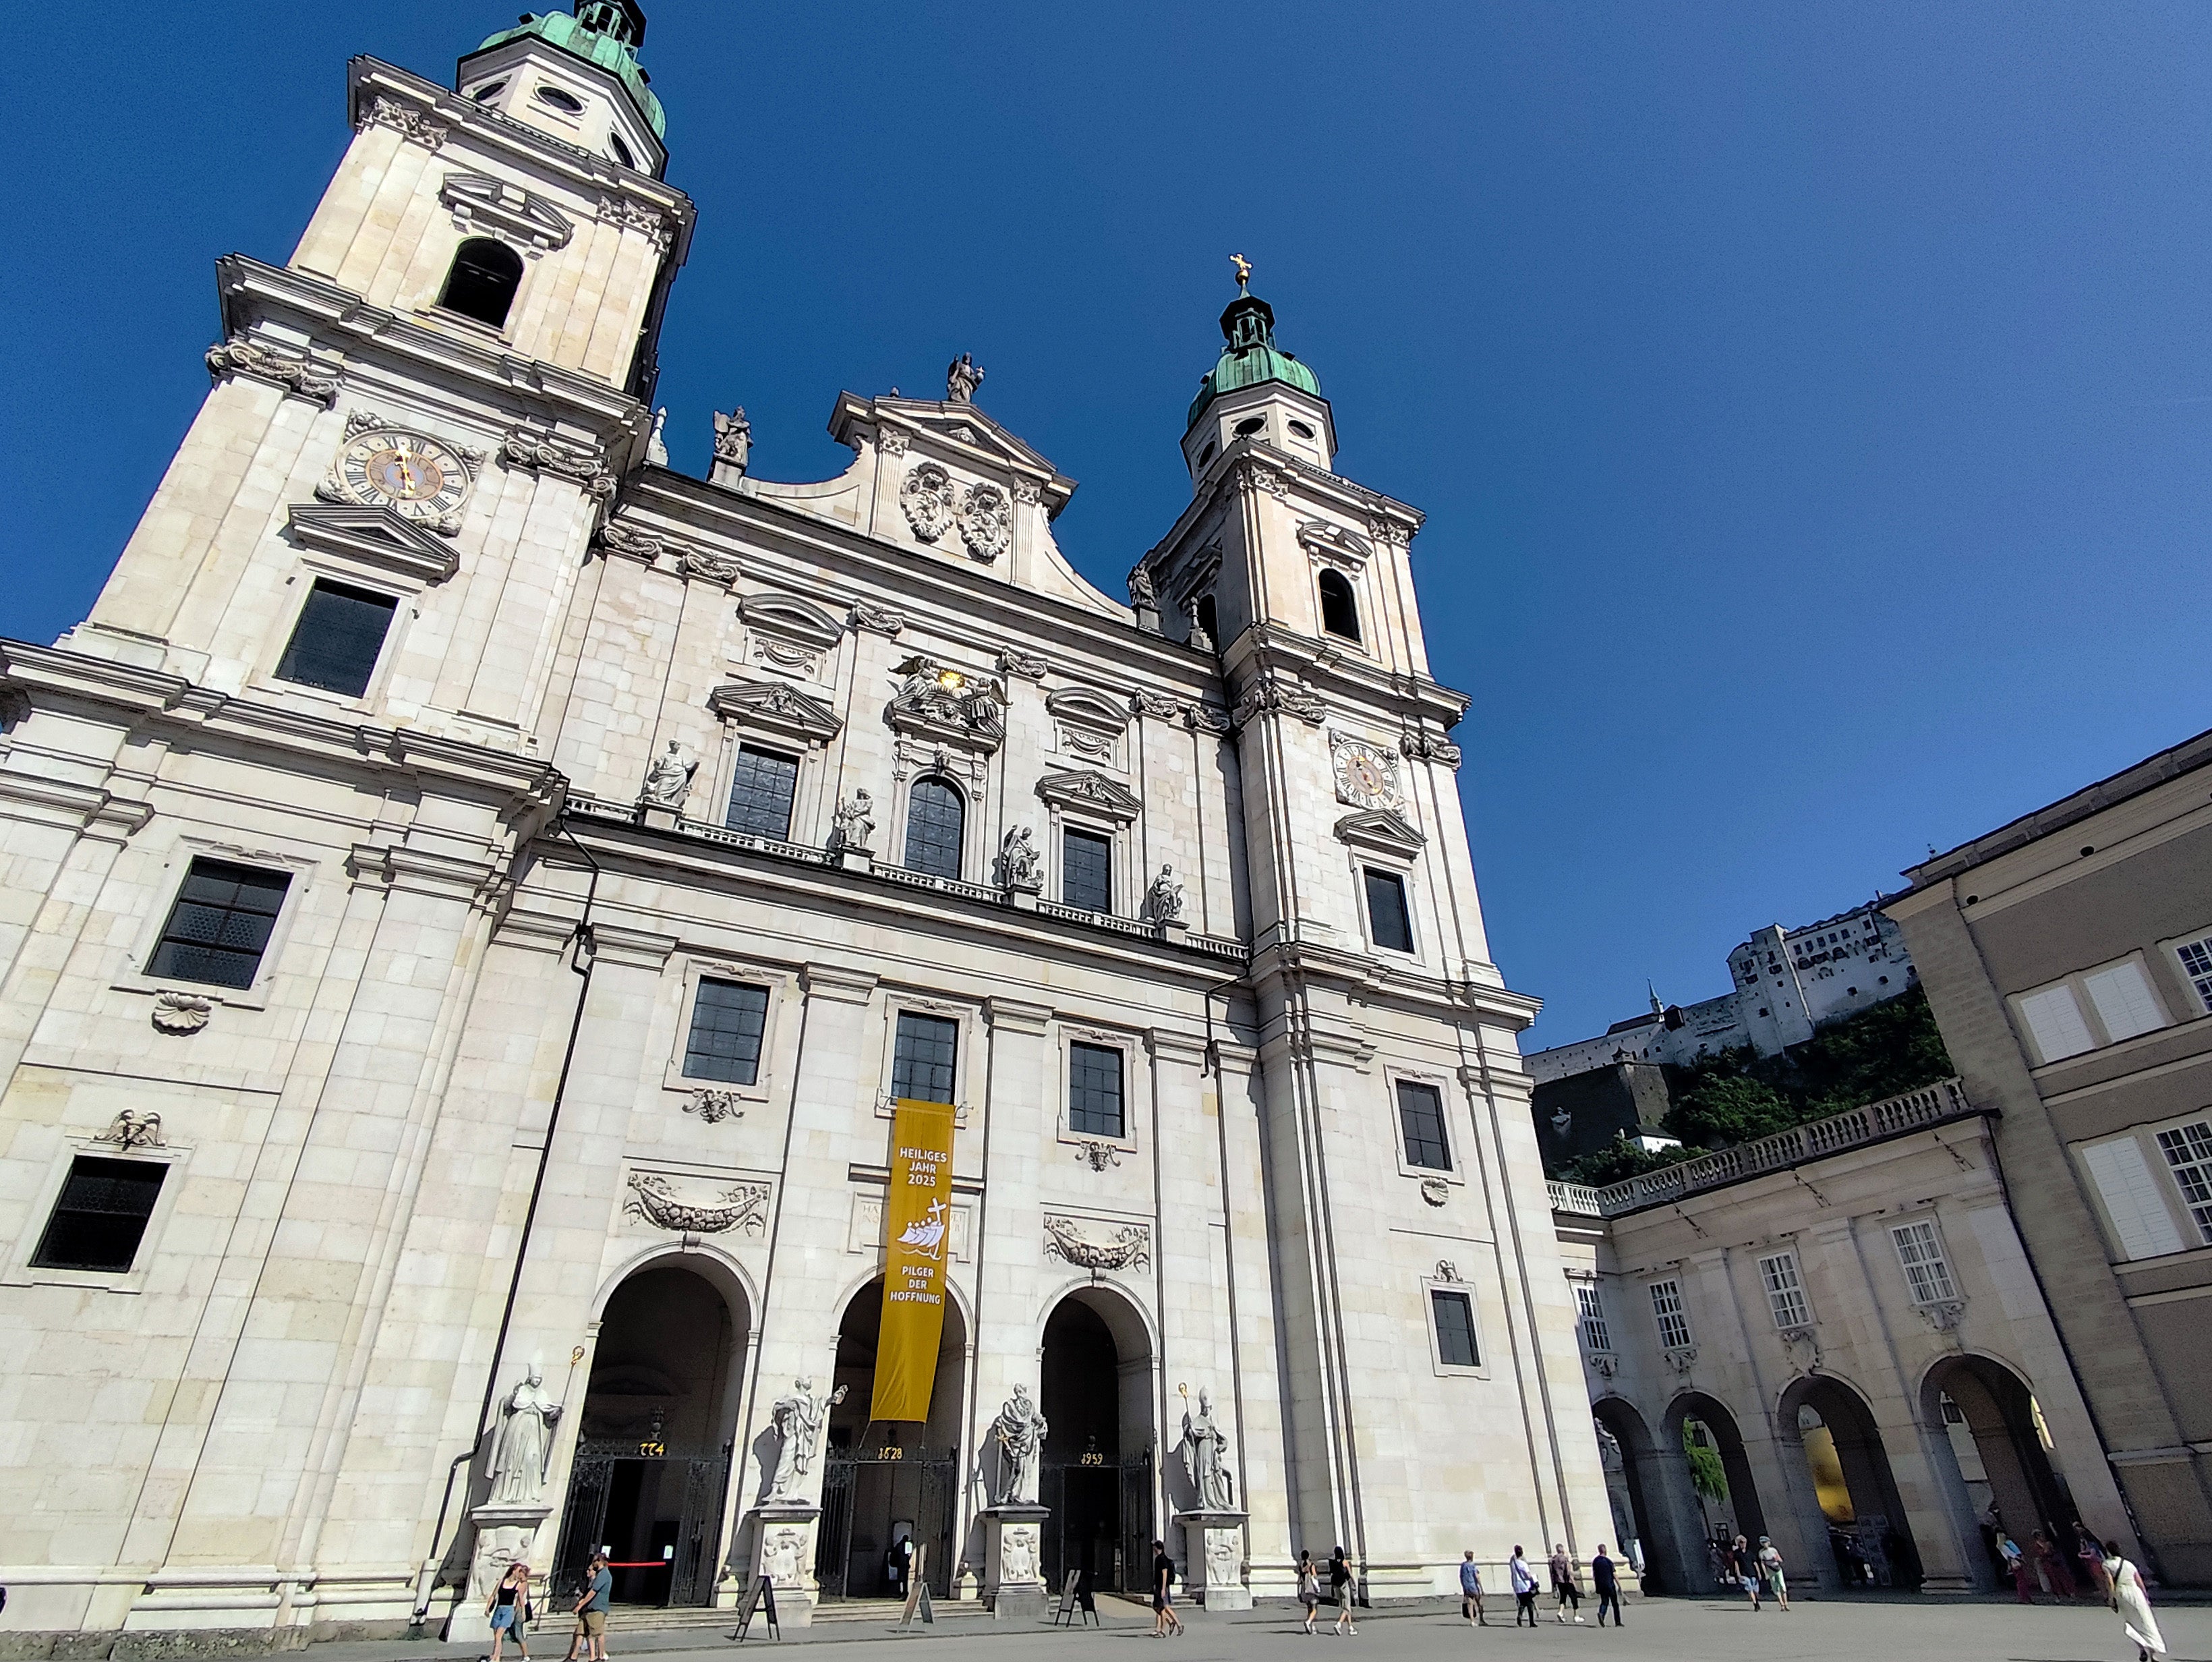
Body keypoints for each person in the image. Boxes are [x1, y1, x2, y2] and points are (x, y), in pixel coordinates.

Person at [2101, 1541, 2165, 1662]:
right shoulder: (2129, 1564)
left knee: (2132, 1622)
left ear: (2108, 1551)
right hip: (2137, 1593)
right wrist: (2146, 1597)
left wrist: (2111, 1599)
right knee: (2146, 1621)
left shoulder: (2107, 1564)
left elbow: (2110, 1583)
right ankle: (2153, 1654)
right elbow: (2139, 1581)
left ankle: (2142, 1649)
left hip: (2122, 1593)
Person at [487, 1561, 531, 1662]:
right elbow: (494, 1595)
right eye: (518, 1570)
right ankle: (497, 1657)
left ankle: (525, 1656)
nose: (519, 1573)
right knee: (500, 1636)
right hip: (505, 1609)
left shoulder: (522, 1584)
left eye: (521, 1571)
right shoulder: (505, 1582)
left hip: (515, 1611)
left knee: (516, 1634)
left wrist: (518, 1612)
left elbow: (521, 1600)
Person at [571, 1553, 610, 1662]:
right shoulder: (599, 1574)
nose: (593, 1564)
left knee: (598, 1633)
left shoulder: (604, 1574)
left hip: (597, 1608)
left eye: (594, 1561)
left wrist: (580, 1606)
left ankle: (601, 1657)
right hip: (589, 1609)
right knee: (585, 1633)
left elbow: (593, 1592)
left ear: (600, 1561)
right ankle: (577, 1657)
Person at [1150, 1539, 1182, 1638]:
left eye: (1154, 1547)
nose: (1153, 1549)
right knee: (1160, 1608)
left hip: (1162, 1587)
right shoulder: (1159, 1558)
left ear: (1157, 1548)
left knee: (1164, 1607)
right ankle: (1169, 1625)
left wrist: (1163, 1588)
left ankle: (1175, 1625)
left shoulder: (1162, 1559)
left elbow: (1165, 1574)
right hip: (1159, 1586)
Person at [2031, 1530, 2076, 1599]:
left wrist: (2050, 1548)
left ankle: (2069, 1592)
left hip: (2054, 1562)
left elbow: (2052, 1551)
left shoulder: (2046, 1543)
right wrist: (2047, 1548)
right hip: (2047, 1563)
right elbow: (2042, 1554)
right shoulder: (2037, 1545)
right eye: (2039, 1535)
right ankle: (2059, 1594)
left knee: (2062, 1576)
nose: (2042, 1537)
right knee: (2053, 1579)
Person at [1548, 1544, 1583, 1623]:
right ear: (1562, 1549)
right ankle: (1576, 1616)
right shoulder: (1564, 1559)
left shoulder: (1554, 1560)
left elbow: (1552, 1572)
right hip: (1567, 1581)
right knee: (1574, 1598)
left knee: (1563, 1597)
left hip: (1559, 1581)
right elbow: (1568, 1572)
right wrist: (1574, 1581)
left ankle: (1560, 1612)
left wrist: (1554, 1583)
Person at [1591, 1543, 1623, 1628]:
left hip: (1601, 1585)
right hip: (1610, 1585)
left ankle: (1601, 1614)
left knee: (1604, 1602)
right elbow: (1614, 1574)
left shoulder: (1595, 1561)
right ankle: (1618, 1622)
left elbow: (1594, 1574)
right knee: (1615, 1604)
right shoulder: (1608, 1561)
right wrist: (1620, 1586)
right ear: (1605, 1550)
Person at [1755, 1537, 1788, 1613]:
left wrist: (1777, 1559)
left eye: (1766, 1542)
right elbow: (1763, 1564)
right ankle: (1782, 1605)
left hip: (1778, 1569)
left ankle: (1786, 1603)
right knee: (1775, 1587)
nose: (1764, 1544)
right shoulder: (1761, 1552)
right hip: (1770, 1570)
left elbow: (1780, 1560)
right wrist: (1766, 1573)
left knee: (1782, 1585)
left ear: (1769, 1542)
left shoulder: (1773, 1550)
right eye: (1763, 1543)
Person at [1329, 1546, 1357, 1636]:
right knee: (1347, 1607)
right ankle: (1339, 1624)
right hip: (1344, 1585)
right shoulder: (1345, 1562)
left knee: (1345, 1605)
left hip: (1336, 1586)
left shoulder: (1332, 1563)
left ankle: (1350, 1628)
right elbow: (1350, 1574)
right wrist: (1354, 1583)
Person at [1509, 1546, 1540, 1626]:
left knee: (1522, 1602)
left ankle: (1520, 1616)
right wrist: (1535, 1580)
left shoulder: (1513, 1563)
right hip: (1525, 1585)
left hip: (1517, 1585)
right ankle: (1531, 1622)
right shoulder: (1523, 1564)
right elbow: (1528, 1575)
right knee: (1530, 1604)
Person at [1997, 1532, 2031, 1603]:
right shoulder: (2004, 1546)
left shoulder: (2004, 1545)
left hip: (2014, 1562)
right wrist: (2021, 1559)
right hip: (2015, 1562)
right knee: (2021, 1580)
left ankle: (2026, 1597)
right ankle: (2024, 1597)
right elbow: (2012, 1555)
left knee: (2021, 1580)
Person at [1731, 1534, 1760, 1611]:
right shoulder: (1737, 1554)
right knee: (1749, 1588)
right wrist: (1738, 1574)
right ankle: (1755, 1604)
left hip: (1752, 1573)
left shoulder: (1750, 1553)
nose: (1743, 1544)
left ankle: (1757, 1600)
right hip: (1744, 1574)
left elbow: (1755, 1563)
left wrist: (1759, 1573)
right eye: (1741, 1542)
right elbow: (1736, 1563)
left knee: (1755, 1590)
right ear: (1739, 1543)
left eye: (1744, 1542)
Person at [1296, 1550, 1322, 1634]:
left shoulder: (1300, 1567)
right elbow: (1314, 1576)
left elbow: (1299, 1580)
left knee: (1309, 1609)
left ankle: (1312, 1627)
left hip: (1304, 1590)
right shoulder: (1311, 1566)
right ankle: (1308, 1622)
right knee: (1315, 1609)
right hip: (1311, 1589)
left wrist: (1298, 1592)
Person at [1459, 1551, 1486, 1627]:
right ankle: (1481, 1619)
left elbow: (1461, 1577)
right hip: (1474, 1586)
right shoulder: (1473, 1566)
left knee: (1470, 1604)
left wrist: (1463, 1586)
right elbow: (1477, 1577)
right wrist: (1482, 1588)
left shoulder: (1463, 1566)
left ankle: (1472, 1621)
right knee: (1479, 1603)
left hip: (1467, 1587)